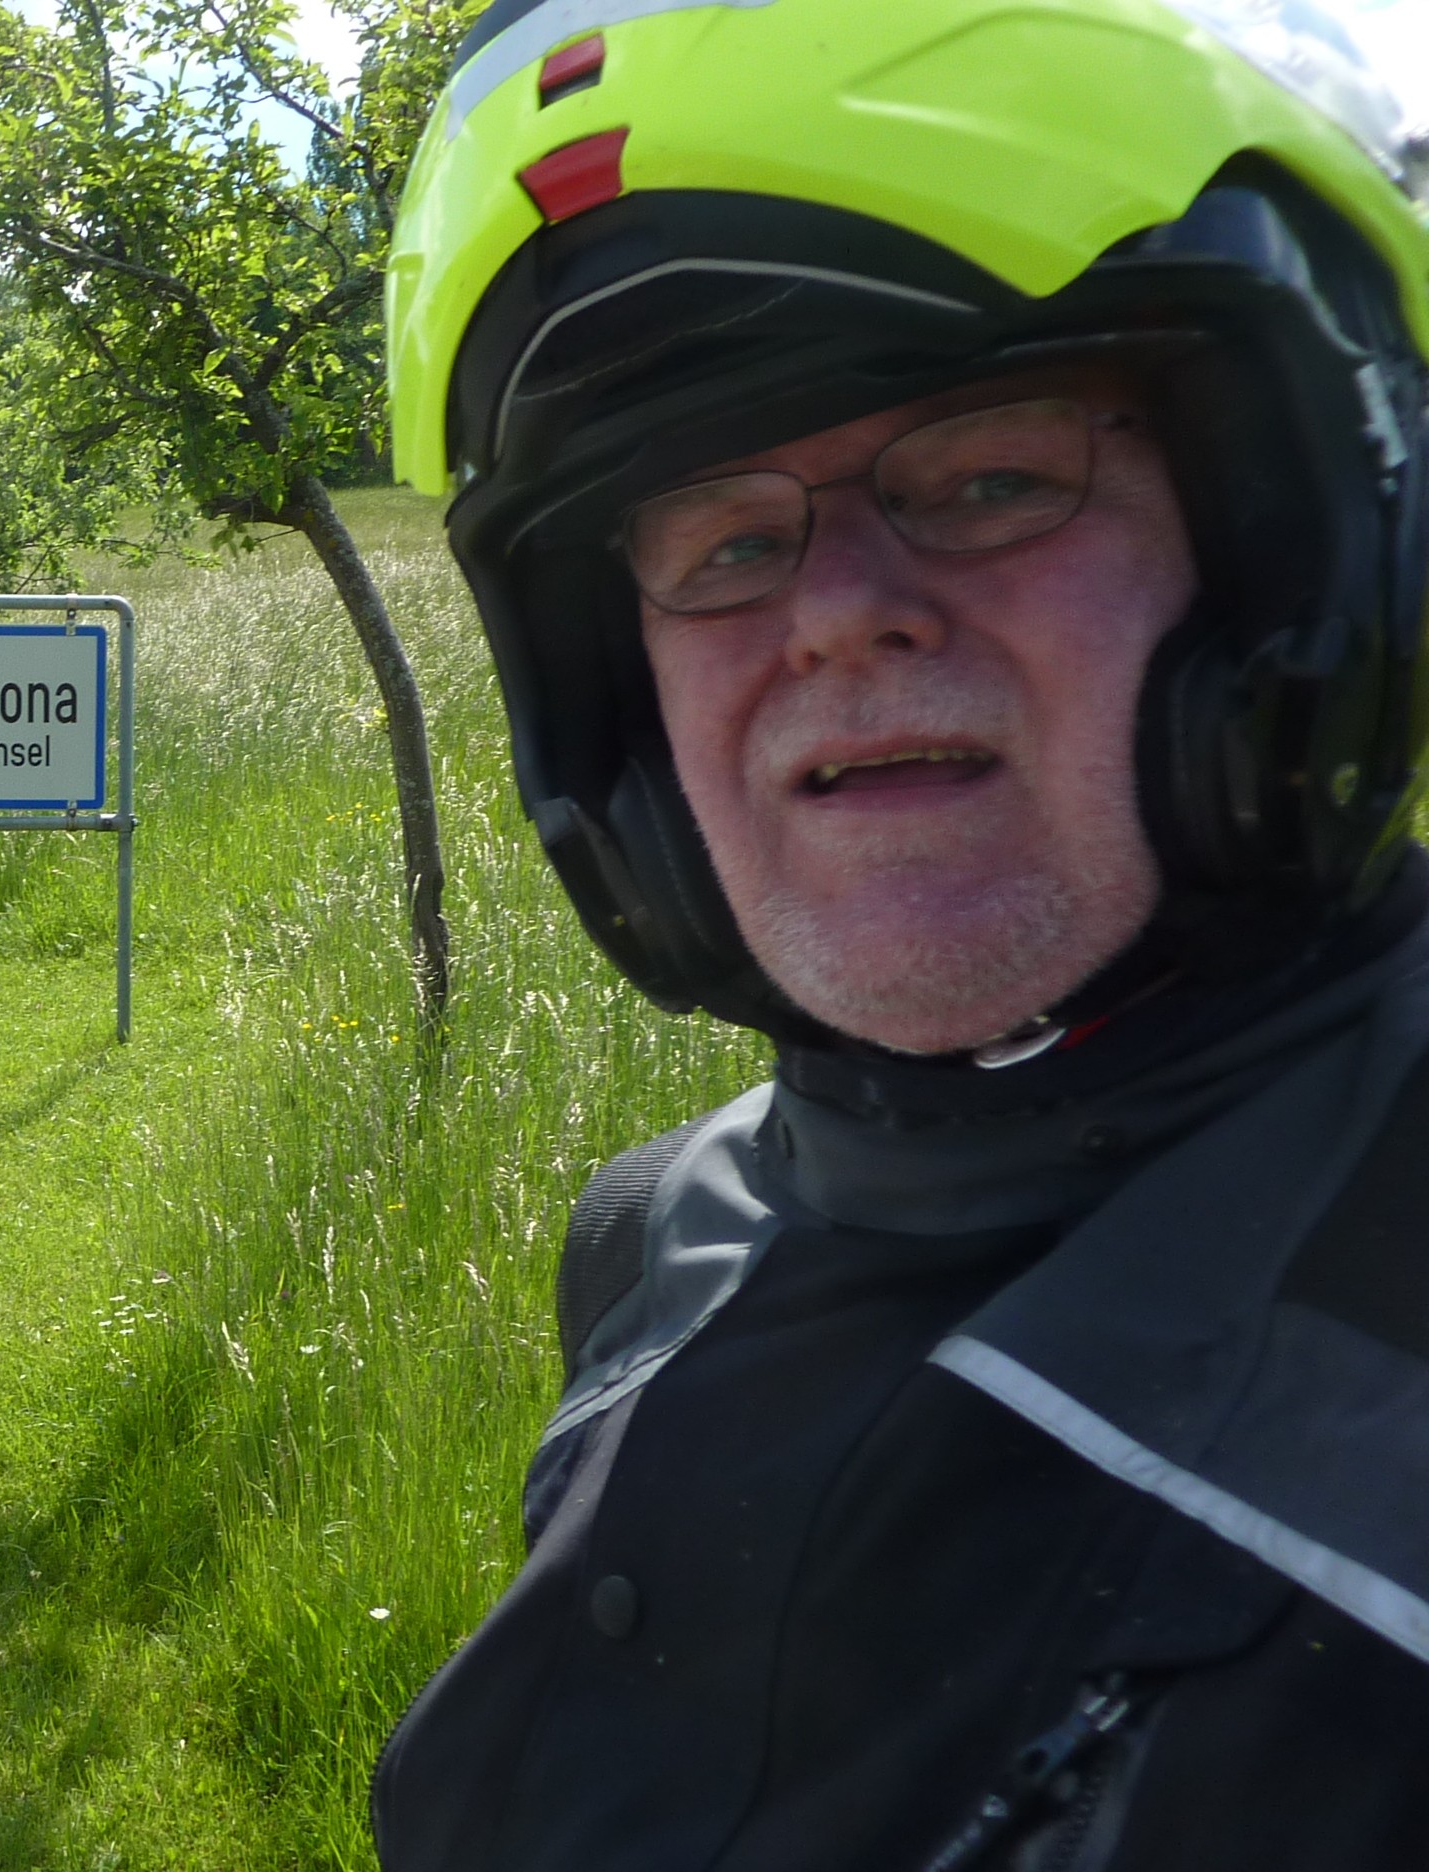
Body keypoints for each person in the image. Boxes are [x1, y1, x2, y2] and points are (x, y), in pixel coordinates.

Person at [372, 0, 1429, 1864]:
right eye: (722, 542)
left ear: (1283, 554)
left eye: (992, 476)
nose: (834, 617)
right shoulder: (655, 1242)